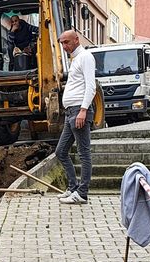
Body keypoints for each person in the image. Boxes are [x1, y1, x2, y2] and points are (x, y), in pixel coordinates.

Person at [56, 30, 96, 205]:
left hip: (79, 111)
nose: (64, 46)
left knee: (83, 153)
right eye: (62, 43)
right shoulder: (75, 60)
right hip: (70, 112)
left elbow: (91, 86)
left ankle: (82, 193)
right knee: (61, 151)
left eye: (67, 42)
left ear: (76, 40)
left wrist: (83, 110)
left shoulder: (85, 57)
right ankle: (73, 187)